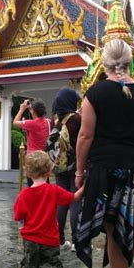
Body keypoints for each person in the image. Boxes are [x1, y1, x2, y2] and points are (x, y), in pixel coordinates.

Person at [74, 39, 134, 268]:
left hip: (107, 169)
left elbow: (85, 137)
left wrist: (79, 172)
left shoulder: (95, 94)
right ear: (130, 62)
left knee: (114, 231)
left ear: (104, 62)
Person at [14, 151, 83, 268]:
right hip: (50, 240)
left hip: (30, 240)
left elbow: (18, 216)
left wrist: (22, 227)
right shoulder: (54, 190)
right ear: (49, 171)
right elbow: (74, 197)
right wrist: (86, 185)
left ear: (28, 174)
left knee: (29, 266)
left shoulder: (23, 195)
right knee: (51, 266)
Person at [51, 87, 82, 251]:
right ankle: (77, 241)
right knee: (75, 200)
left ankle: (59, 239)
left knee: (61, 202)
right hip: (76, 165)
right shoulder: (76, 119)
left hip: (59, 166)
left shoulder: (56, 120)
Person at [13, 99, 50, 187]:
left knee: (32, 185)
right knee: (45, 184)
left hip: (33, 159)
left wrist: (22, 109)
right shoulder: (48, 122)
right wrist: (31, 109)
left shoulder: (32, 124)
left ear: (33, 111)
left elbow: (15, 122)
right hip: (44, 157)